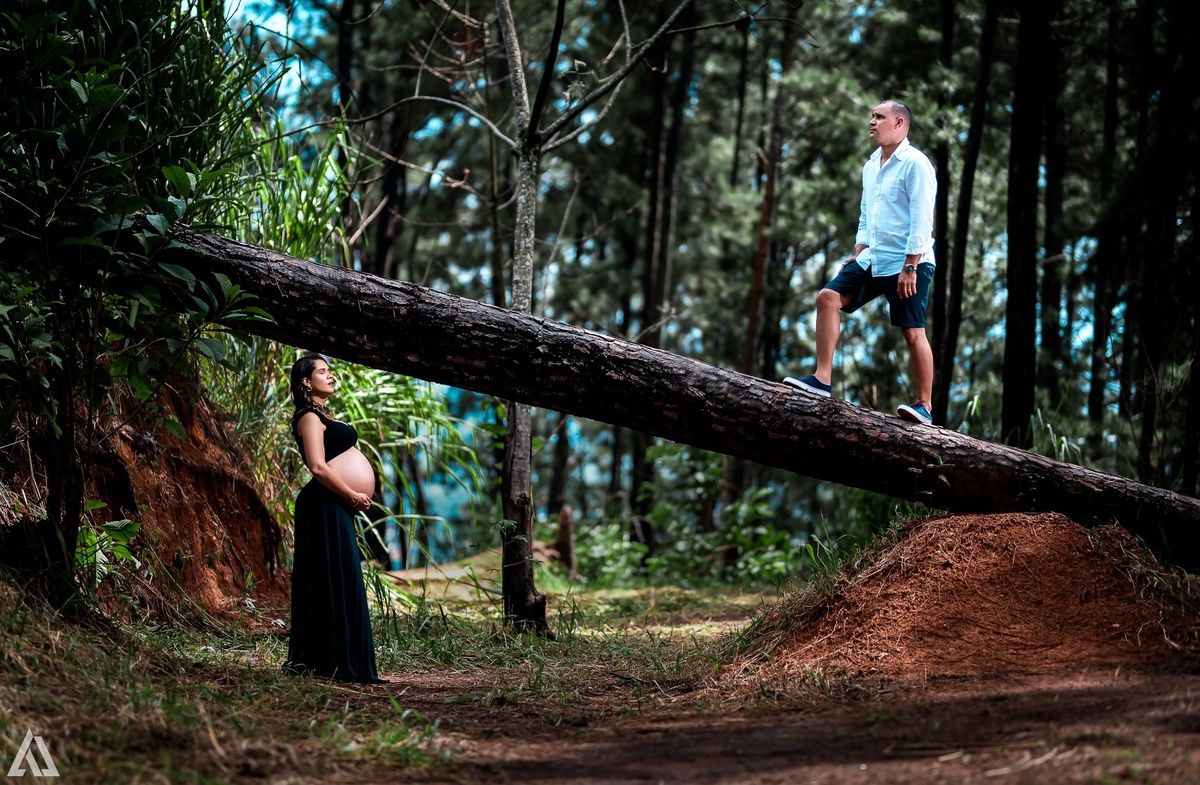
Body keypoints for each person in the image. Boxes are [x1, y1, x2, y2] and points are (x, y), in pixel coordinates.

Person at [784, 99, 938, 425]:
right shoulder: (871, 165)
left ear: (899, 123)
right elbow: (867, 216)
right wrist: (858, 252)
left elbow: (921, 219)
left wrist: (911, 265)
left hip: (908, 260)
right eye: (872, 116)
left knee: (912, 332)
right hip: (873, 257)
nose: (872, 121)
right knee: (827, 298)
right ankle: (821, 379)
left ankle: (924, 405)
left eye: (879, 117)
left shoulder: (915, 164)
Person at [283, 353, 385, 684]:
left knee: (343, 580)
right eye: (323, 372)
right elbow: (317, 467)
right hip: (323, 506)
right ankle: (332, 662)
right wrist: (352, 494)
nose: (330, 376)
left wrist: (350, 497)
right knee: (332, 580)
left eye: (330, 370)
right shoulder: (308, 416)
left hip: (334, 506)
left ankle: (344, 661)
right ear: (305, 381)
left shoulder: (322, 415)